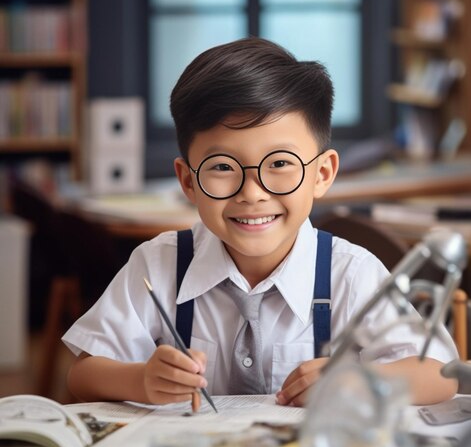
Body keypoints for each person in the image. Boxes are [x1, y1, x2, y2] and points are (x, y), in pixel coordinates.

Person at [64, 37, 458, 409]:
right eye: (222, 167)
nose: (252, 193)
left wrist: (361, 381)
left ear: (322, 173)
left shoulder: (350, 273)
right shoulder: (159, 263)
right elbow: (82, 375)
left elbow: (440, 374)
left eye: (280, 164)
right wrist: (140, 380)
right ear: (188, 180)